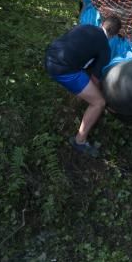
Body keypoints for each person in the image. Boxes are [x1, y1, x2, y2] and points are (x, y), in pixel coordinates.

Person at [45, 16, 122, 157]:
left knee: (83, 78)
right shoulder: (105, 48)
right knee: (98, 103)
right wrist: (100, 95)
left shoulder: (85, 27)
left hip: (50, 55)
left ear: (101, 23)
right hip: (62, 69)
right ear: (115, 35)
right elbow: (94, 79)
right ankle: (79, 141)